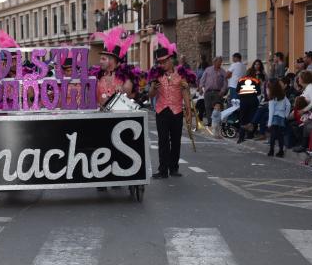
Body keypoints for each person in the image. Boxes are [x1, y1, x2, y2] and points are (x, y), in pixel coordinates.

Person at [148, 34, 192, 179]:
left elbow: (185, 92)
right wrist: (154, 88)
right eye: (159, 62)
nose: (161, 65)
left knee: (176, 140)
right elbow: (151, 96)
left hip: (177, 111)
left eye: (164, 62)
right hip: (161, 111)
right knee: (163, 141)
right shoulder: (156, 76)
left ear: (171, 60)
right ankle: (163, 170)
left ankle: (174, 168)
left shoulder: (181, 75)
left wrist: (188, 112)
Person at [92, 27, 138, 107]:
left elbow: (129, 93)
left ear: (115, 62)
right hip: (99, 116)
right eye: (100, 59)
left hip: (119, 116)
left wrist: (122, 90)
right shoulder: (96, 76)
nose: (100, 62)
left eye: (103, 59)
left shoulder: (126, 77)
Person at [199, 56, 228, 126]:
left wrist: (223, 90)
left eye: (221, 62)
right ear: (214, 62)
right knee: (208, 107)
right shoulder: (208, 70)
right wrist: (200, 87)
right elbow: (203, 79)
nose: (220, 63)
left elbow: (225, 82)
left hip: (218, 92)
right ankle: (210, 122)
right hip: (208, 91)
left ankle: (217, 123)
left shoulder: (223, 71)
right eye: (219, 62)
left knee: (217, 108)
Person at [293, 70, 312, 152]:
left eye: (299, 77)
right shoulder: (307, 88)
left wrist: (303, 110)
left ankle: (303, 145)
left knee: (299, 126)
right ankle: (302, 145)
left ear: (303, 79)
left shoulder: (310, 88)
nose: (298, 79)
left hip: (310, 114)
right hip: (306, 114)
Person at [267, 79, 291, 157]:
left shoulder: (272, 97)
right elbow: (288, 105)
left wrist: (269, 123)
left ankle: (271, 150)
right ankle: (281, 151)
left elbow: (271, 111)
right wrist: (286, 115)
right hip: (281, 117)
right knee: (280, 135)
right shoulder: (283, 95)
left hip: (274, 117)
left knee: (273, 136)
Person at [236, 77, 261, 143]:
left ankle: (241, 136)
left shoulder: (241, 79)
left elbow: (237, 90)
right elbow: (259, 92)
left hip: (244, 101)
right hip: (253, 100)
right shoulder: (256, 80)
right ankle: (250, 134)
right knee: (252, 117)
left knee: (243, 118)